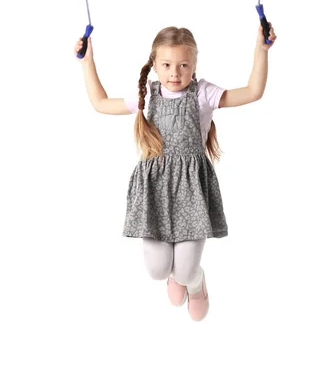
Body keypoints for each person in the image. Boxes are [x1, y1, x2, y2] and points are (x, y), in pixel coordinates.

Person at [74, 23, 277, 321]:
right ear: (154, 64)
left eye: (183, 65)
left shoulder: (202, 93)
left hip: (191, 193)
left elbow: (253, 91)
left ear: (194, 64)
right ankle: (175, 276)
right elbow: (101, 103)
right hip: (154, 193)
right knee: (157, 270)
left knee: (185, 269)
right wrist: (88, 62)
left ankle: (195, 283)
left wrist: (261, 49)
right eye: (167, 65)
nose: (175, 73)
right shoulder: (147, 94)